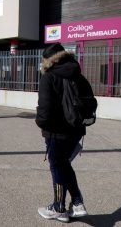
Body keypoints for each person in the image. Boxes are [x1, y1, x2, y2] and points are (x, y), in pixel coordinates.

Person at [35, 43, 92, 223]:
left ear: (49, 60)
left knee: (57, 166)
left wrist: (40, 122)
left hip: (56, 132)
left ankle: (59, 207)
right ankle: (77, 203)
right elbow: (90, 102)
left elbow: (44, 109)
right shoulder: (79, 76)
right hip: (76, 130)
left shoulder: (49, 77)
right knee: (64, 165)